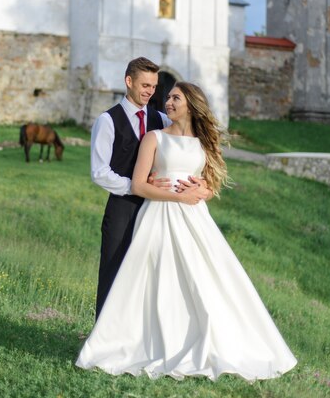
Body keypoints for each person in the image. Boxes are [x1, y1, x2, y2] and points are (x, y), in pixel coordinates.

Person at [77, 82, 297, 381]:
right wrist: (179, 196)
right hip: (158, 214)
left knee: (205, 277)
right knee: (155, 277)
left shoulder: (203, 142)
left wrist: (202, 190)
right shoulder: (154, 138)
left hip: (194, 219)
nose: (168, 102)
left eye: (175, 98)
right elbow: (140, 185)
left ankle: (210, 338)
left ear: (191, 105)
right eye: (167, 97)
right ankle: (137, 339)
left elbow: (210, 184)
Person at [91, 58, 206, 319]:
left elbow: (182, 147)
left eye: (154, 87)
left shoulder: (161, 118)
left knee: (149, 275)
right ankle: (102, 334)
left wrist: (200, 181)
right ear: (128, 81)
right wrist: (138, 186)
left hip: (158, 209)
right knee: (114, 270)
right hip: (122, 208)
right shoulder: (107, 121)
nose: (149, 92)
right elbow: (99, 173)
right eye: (144, 85)